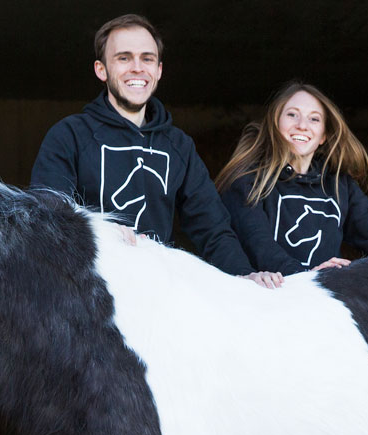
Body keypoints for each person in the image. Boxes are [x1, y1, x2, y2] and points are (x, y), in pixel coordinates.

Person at [31, 14, 279, 286]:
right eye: (124, 58)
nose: (137, 68)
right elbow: (48, 214)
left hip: (156, 292)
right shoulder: (69, 135)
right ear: (101, 70)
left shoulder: (178, 145)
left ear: (159, 70)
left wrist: (243, 276)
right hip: (88, 292)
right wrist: (102, 231)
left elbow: (212, 228)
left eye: (146, 58)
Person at [216, 81, 368, 282]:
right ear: (275, 123)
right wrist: (305, 277)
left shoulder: (338, 184)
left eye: (314, 118)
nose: (302, 125)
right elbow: (258, 245)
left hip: (324, 301)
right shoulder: (248, 181)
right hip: (271, 297)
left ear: (323, 135)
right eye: (292, 115)